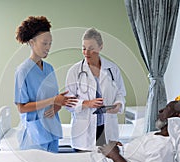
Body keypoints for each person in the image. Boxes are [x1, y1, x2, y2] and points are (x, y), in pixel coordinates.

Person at [14, 16, 77, 153]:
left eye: (50, 43)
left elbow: (55, 99)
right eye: (44, 43)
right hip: (34, 133)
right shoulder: (23, 71)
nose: (48, 47)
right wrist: (53, 100)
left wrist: (58, 105)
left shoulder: (49, 68)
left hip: (52, 130)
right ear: (32, 42)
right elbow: (22, 108)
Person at [99, 100, 180, 162]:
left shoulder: (164, 146)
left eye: (167, 108)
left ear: (177, 116)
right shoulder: (155, 135)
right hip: (105, 159)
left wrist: (114, 155)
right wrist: (121, 148)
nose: (160, 110)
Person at [65, 28, 126, 151]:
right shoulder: (75, 71)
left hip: (107, 129)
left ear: (100, 47)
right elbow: (67, 101)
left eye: (91, 48)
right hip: (84, 135)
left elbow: (120, 93)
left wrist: (118, 105)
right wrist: (87, 104)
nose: (86, 52)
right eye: (83, 48)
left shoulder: (112, 69)